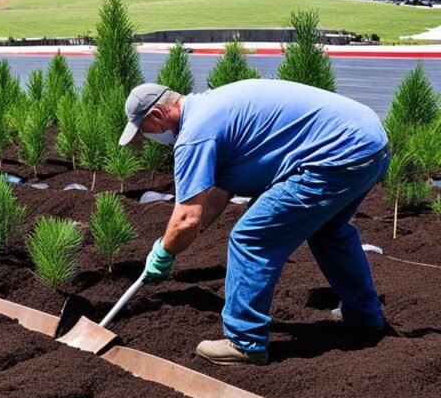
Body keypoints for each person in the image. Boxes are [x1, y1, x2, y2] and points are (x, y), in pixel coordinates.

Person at [119, 79, 390, 365]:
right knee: (329, 232)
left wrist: (165, 251)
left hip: (335, 157)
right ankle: (365, 319)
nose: (145, 137)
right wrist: (192, 233)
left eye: (142, 129)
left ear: (158, 115)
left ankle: (244, 341)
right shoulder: (212, 107)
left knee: (250, 239)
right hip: (370, 143)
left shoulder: (195, 134)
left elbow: (187, 217)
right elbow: (217, 195)